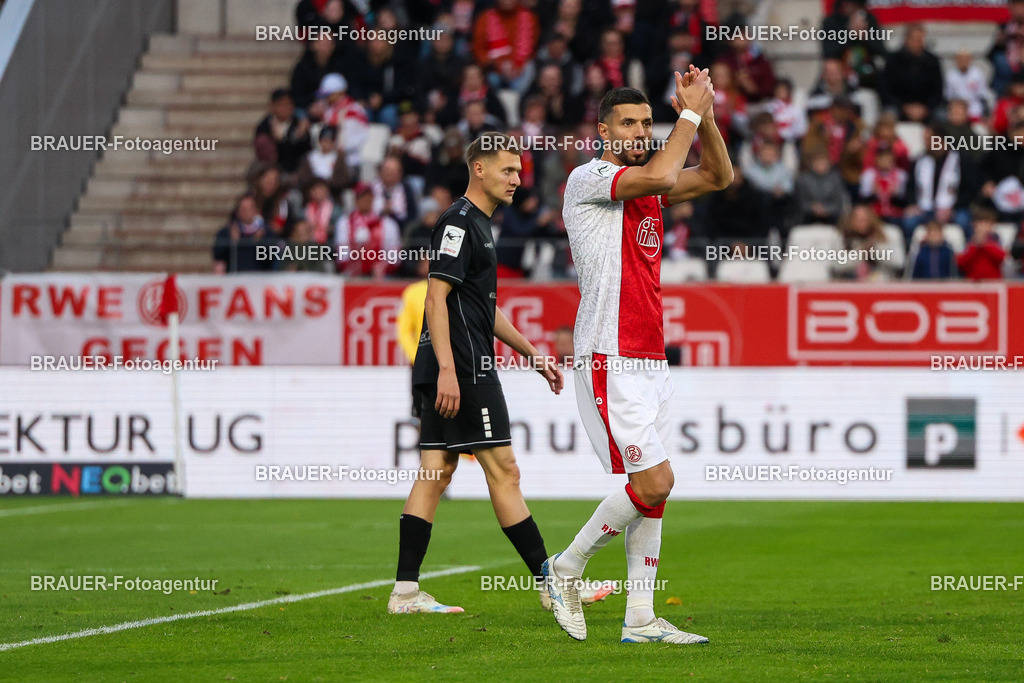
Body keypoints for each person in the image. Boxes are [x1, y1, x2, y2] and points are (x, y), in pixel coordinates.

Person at [388, 132, 612, 615]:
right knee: (504, 470)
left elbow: (482, 307)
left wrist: (531, 353)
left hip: (453, 362)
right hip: (463, 366)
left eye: (519, 171)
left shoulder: (479, 226)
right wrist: (449, 369)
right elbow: (436, 297)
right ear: (480, 169)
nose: (517, 179)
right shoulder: (458, 223)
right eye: (508, 170)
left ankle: (405, 592)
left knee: (437, 470)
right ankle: (551, 583)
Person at [546, 66, 730, 645]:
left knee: (654, 492)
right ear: (603, 132)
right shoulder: (590, 177)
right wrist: (690, 114)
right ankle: (566, 568)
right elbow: (666, 168)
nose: (640, 130)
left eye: (648, 122)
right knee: (654, 482)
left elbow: (720, 176)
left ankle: (641, 618)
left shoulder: (650, 185)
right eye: (628, 123)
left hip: (651, 357)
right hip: (609, 353)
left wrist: (707, 112)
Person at [957, 206, 1007, 280]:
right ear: (974, 225)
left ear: (992, 226)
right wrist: (975, 246)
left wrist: (985, 245)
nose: (983, 227)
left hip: (993, 280)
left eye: (987, 224)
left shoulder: (996, 239)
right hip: (972, 281)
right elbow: (961, 263)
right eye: (981, 224)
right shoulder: (967, 239)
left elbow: (1001, 258)